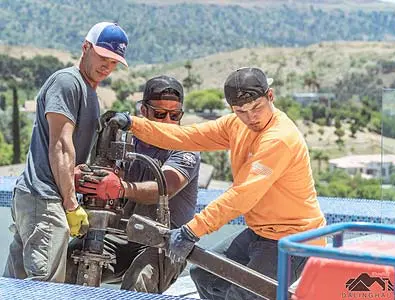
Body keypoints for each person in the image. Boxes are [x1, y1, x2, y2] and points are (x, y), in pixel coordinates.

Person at [107, 67, 327, 299]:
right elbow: (185, 136)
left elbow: (241, 196)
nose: (251, 117)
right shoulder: (236, 125)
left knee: (242, 295)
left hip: (294, 239)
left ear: (270, 96)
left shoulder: (279, 139)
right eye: (241, 110)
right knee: (204, 276)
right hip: (259, 233)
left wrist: (192, 230)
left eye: (257, 108)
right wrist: (133, 124)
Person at [3, 22, 129, 283]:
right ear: (85, 47)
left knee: (14, 286)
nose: (108, 66)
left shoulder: (89, 91)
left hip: (37, 197)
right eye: (103, 57)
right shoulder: (67, 82)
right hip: (46, 198)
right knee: (44, 289)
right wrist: (71, 204)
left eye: (114, 62)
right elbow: (60, 145)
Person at [67, 75, 201, 293]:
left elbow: (164, 188)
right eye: (160, 114)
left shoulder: (186, 148)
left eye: (174, 115)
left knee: (140, 280)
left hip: (164, 242)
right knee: (69, 263)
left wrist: (121, 187)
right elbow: (100, 174)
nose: (167, 121)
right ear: (143, 111)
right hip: (120, 237)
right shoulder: (124, 142)